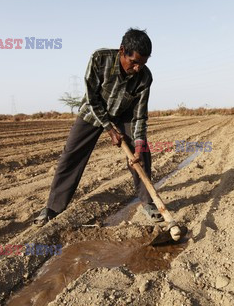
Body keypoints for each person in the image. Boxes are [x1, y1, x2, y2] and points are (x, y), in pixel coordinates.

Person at [35, 28, 163, 226]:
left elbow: (139, 116)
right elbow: (92, 98)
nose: (137, 68)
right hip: (93, 112)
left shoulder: (145, 77)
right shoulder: (100, 59)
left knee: (143, 153)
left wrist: (137, 145)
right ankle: (53, 208)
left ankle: (148, 202)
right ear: (122, 51)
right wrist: (110, 130)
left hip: (125, 115)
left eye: (142, 63)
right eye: (134, 62)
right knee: (71, 155)